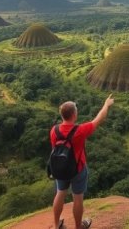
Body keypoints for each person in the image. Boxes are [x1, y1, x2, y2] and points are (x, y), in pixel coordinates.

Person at [51, 94, 114, 229]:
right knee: (78, 197)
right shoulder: (79, 131)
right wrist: (106, 104)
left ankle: (56, 225)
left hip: (59, 168)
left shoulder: (54, 130)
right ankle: (78, 226)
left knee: (60, 193)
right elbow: (99, 118)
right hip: (78, 169)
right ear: (74, 115)